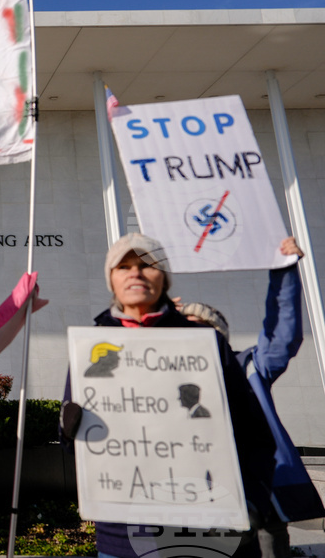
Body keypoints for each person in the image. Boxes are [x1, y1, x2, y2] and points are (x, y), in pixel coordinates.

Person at [60, 233, 276, 558]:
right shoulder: (91, 349)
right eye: (124, 266)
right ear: (112, 280)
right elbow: (73, 444)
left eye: (148, 265)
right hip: (123, 534)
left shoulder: (205, 343)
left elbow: (252, 429)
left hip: (207, 528)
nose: (136, 272)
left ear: (165, 278)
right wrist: (68, 428)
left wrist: (252, 498)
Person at [178, 237, 324, 558]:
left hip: (260, 503)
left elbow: (282, 334)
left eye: (202, 328)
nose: (193, 335)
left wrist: (283, 273)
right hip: (198, 506)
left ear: (220, 336)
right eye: (183, 329)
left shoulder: (250, 367)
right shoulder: (168, 381)